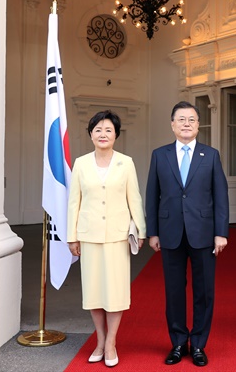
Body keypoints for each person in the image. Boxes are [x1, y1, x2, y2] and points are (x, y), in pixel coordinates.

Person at [146, 101, 229, 367]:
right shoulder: (160, 155)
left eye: (191, 119)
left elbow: (221, 197)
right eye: (181, 119)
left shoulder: (211, 155)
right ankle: (178, 342)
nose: (186, 124)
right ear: (172, 124)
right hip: (169, 232)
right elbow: (152, 196)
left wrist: (221, 233)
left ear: (198, 125)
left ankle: (199, 344)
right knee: (173, 291)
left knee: (204, 291)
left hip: (204, 233)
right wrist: (153, 232)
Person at [67, 110, 146, 368]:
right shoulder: (80, 163)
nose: (103, 134)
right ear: (91, 134)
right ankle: (99, 341)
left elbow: (134, 198)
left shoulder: (126, 162)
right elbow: (74, 202)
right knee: (94, 292)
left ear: (116, 135)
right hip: (88, 236)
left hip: (117, 236)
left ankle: (111, 341)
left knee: (115, 292)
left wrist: (141, 230)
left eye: (108, 130)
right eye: (98, 130)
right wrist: (72, 236)